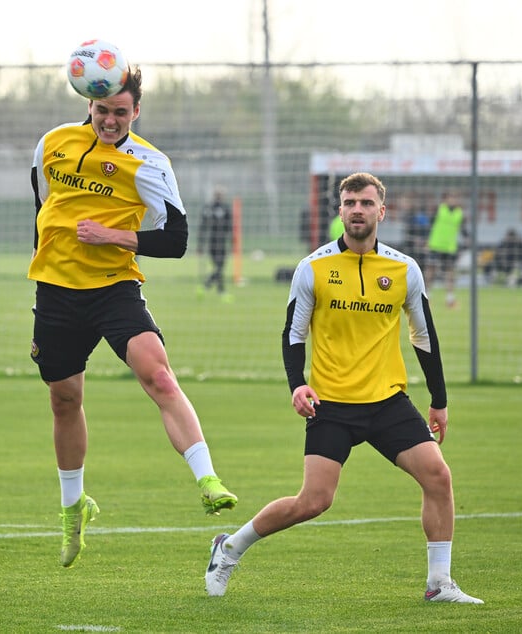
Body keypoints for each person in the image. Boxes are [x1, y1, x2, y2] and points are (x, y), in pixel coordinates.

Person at [204, 172, 482, 604]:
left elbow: (424, 336)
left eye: (366, 203)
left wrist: (439, 401)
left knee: (438, 477)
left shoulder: (404, 268)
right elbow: (293, 334)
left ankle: (439, 583)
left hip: (388, 402)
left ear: (381, 211)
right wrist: (297, 386)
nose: (357, 210)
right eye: (350, 202)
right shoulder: (312, 267)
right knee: (313, 501)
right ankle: (229, 548)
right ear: (339, 210)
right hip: (330, 403)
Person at [27, 65, 237, 568]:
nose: (111, 121)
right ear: (90, 105)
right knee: (64, 398)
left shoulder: (150, 164)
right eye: (103, 111)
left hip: (114, 290)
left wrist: (113, 236)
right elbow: (41, 206)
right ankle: (74, 505)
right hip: (56, 293)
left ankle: (207, 479)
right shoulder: (52, 144)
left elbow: (178, 241)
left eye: (121, 113)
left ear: (136, 112)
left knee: (158, 374)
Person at [425, 191, 468, 307]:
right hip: (436, 244)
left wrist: (468, 239)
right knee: (431, 270)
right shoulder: (439, 209)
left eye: (454, 198)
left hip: (450, 247)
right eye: (450, 198)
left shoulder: (460, 213)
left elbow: (463, 229)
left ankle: (450, 298)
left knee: (450, 273)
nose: (452, 200)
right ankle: (427, 295)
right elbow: (429, 224)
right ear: (446, 199)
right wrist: (426, 240)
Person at [199, 188, 233, 296]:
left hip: (222, 241)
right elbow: (203, 226)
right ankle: (215, 287)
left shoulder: (226, 208)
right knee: (218, 266)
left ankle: (216, 288)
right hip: (212, 241)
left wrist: (232, 241)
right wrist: (201, 243)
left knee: (220, 266)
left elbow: (230, 226)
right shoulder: (209, 208)